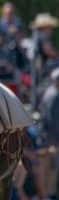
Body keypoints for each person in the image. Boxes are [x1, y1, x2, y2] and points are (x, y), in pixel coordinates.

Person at [38, 68, 59, 199]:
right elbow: (53, 121)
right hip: (49, 141)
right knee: (48, 173)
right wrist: (56, 142)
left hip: (46, 138)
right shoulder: (54, 94)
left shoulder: (49, 92)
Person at [30, 13, 59, 79]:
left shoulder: (37, 35)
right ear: (46, 26)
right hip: (43, 68)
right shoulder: (42, 36)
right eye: (50, 26)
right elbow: (49, 52)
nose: (52, 28)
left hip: (39, 68)